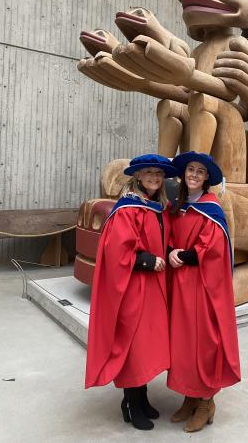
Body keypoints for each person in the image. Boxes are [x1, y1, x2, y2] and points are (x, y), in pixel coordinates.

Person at [85, 154, 179, 431]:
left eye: (159, 174)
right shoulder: (128, 208)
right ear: (138, 176)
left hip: (153, 288)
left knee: (146, 347)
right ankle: (130, 403)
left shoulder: (158, 207)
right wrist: (147, 260)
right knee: (133, 347)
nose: (154, 177)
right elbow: (116, 251)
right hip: (133, 286)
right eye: (149, 172)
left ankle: (143, 397)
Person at [168, 151, 241, 433]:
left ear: (207, 178)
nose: (194, 175)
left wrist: (182, 256)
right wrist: (169, 252)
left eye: (200, 171)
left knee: (204, 342)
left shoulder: (211, 208)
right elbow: (167, 237)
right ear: (184, 174)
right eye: (190, 170)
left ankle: (205, 402)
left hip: (202, 288)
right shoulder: (178, 205)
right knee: (184, 343)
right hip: (181, 287)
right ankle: (189, 396)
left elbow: (211, 251)